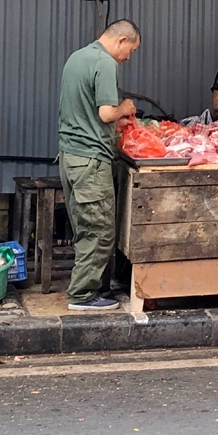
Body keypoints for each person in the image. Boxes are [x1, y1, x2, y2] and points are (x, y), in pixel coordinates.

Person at [57, 19, 141, 311]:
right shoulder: (105, 63)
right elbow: (106, 113)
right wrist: (125, 109)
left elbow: (85, 113)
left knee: (86, 227)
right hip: (90, 161)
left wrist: (114, 122)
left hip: (70, 157)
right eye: (130, 50)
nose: (128, 57)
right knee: (100, 229)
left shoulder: (77, 57)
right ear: (120, 41)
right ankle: (82, 295)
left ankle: (94, 288)